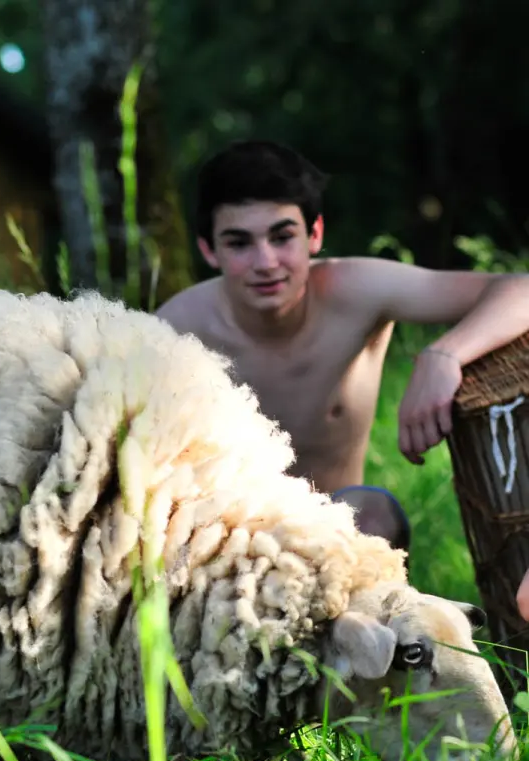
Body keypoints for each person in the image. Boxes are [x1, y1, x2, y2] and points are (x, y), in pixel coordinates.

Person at [156, 140, 529, 550]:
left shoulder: (355, 292)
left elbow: (519, 290)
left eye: (282, 237)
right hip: (229, 533)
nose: (265, 262)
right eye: (240, 243)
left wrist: (444, 356)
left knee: (373, 514)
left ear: (314, 234)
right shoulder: (176, 330)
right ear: (209, 249)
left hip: (339, 521)